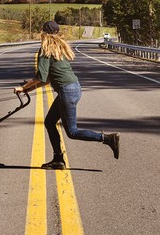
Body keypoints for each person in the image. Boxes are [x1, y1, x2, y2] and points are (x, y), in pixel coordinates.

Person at [14, 21, 120, 170]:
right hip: (74, 88)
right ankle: (58, 159)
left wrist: (22, 87)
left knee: (72, 132)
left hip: (67, 91)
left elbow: (40, 78)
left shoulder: (45, 50)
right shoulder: (59, 48)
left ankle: (108, 138)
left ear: (43, 33)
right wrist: (28, 90)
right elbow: (48, 79)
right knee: (50, 122)